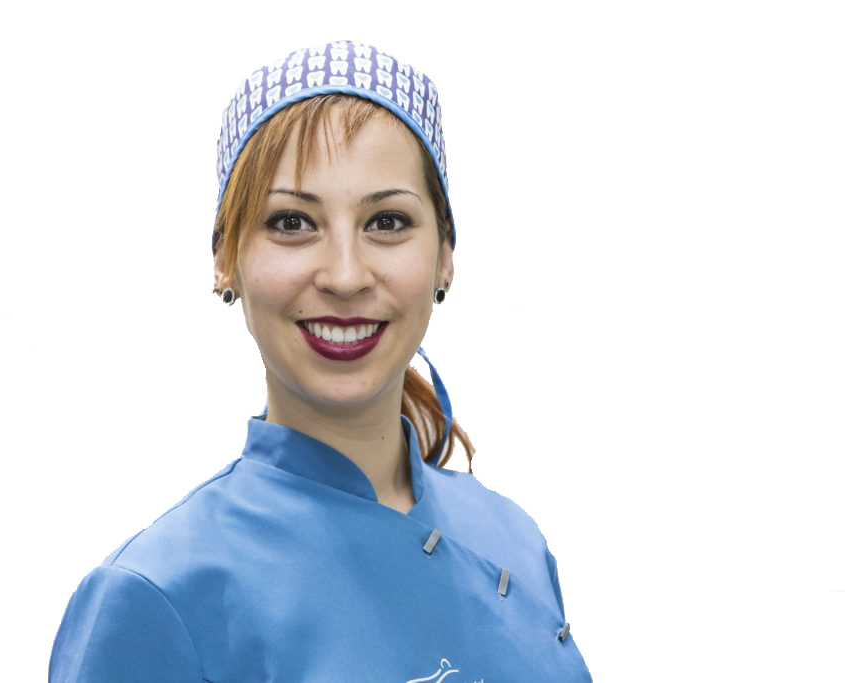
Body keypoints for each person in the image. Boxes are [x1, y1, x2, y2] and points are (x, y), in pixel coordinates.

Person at [48, 39, 592, 682]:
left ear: (445, 255)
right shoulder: (158, 597)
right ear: (225, 259)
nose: (344, 274)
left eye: (387, 221)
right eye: (292, 223)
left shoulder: (515, 541)